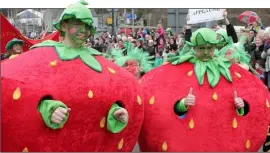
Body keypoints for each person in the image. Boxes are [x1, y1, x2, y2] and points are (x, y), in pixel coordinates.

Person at [1, 0, 144, 151]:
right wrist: (48, 108)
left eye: (87, 26)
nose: (83, 30)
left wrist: (116, 113)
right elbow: (27, 90)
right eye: (77, 24)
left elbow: (108, 94)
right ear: (64, 26)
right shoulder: (43, 58)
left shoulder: (101, 63)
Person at [138, 28, 269, 152]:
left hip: (221, 138)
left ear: (215, 47)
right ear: (194, 48)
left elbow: (244, 108)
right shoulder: (177, 71)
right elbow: (167, 106)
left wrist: (241, 106)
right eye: (201, 48)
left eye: (210, 48)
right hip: (190, 140)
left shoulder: (230, 70)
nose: (206, 52)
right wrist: (183, 104)